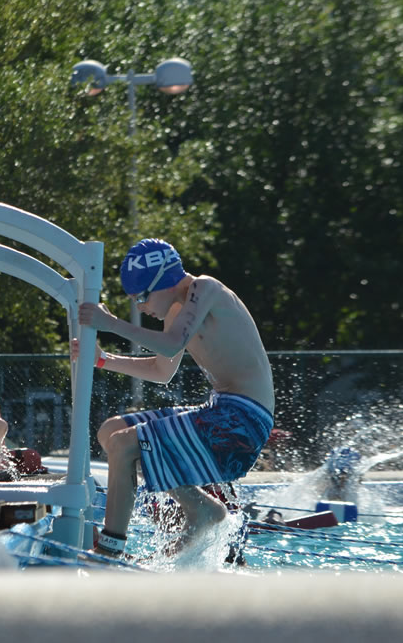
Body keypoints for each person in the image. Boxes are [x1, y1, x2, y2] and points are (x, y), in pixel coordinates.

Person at [75, 238, 275, 556]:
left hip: (244, 421)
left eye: (141, 297)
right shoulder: (176, 314)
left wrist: (110, 324)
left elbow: (170, 344)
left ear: (164, 281)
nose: (141, 308)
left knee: (125, 444)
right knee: (111, 431)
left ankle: (110, 551)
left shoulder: (205, 289)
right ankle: (201, 509)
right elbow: (161, 370)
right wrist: (103, 360)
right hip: (220, 411)